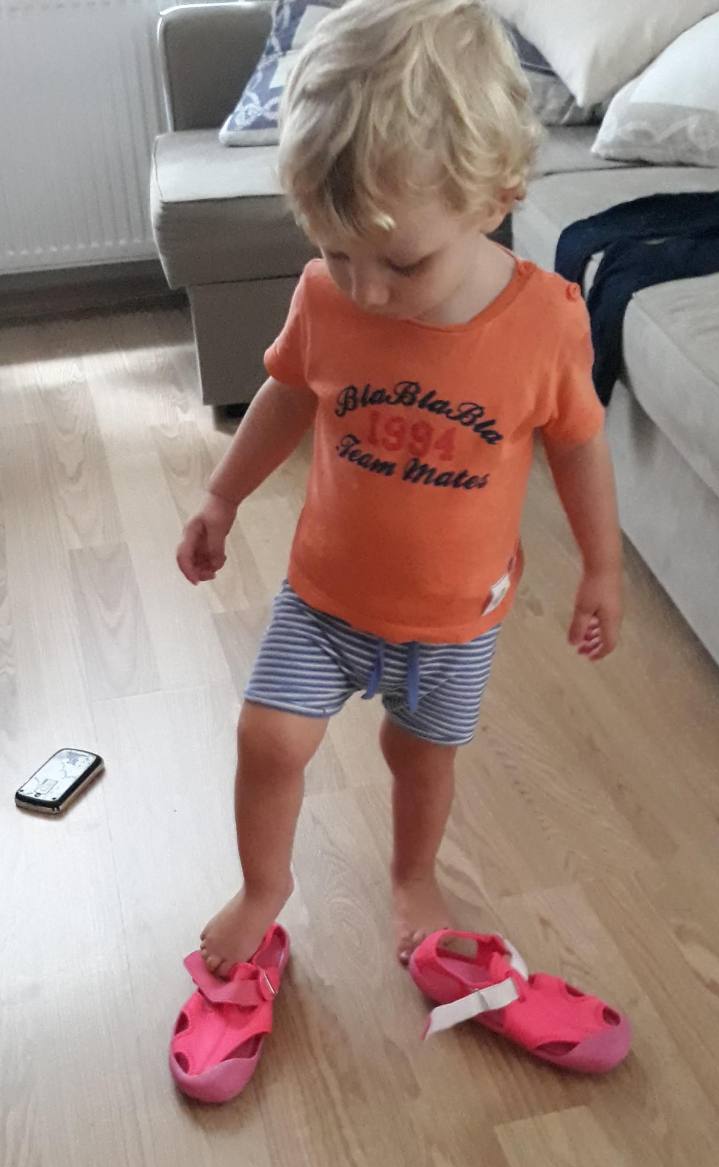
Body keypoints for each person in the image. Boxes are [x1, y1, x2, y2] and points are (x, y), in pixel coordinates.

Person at [176, 0, 623, 978]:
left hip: (453, 621)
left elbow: (579, 447)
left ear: (495, 195)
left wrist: (599, 565)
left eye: (401, 261)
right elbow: (287, 394)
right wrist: (221, 495)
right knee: (267, 739)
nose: (364, 288)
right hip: (323, 601)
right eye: (335, 250)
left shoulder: (543, 324)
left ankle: (413, 878)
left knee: (419, 757)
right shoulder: (325, 297)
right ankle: (263, 887)